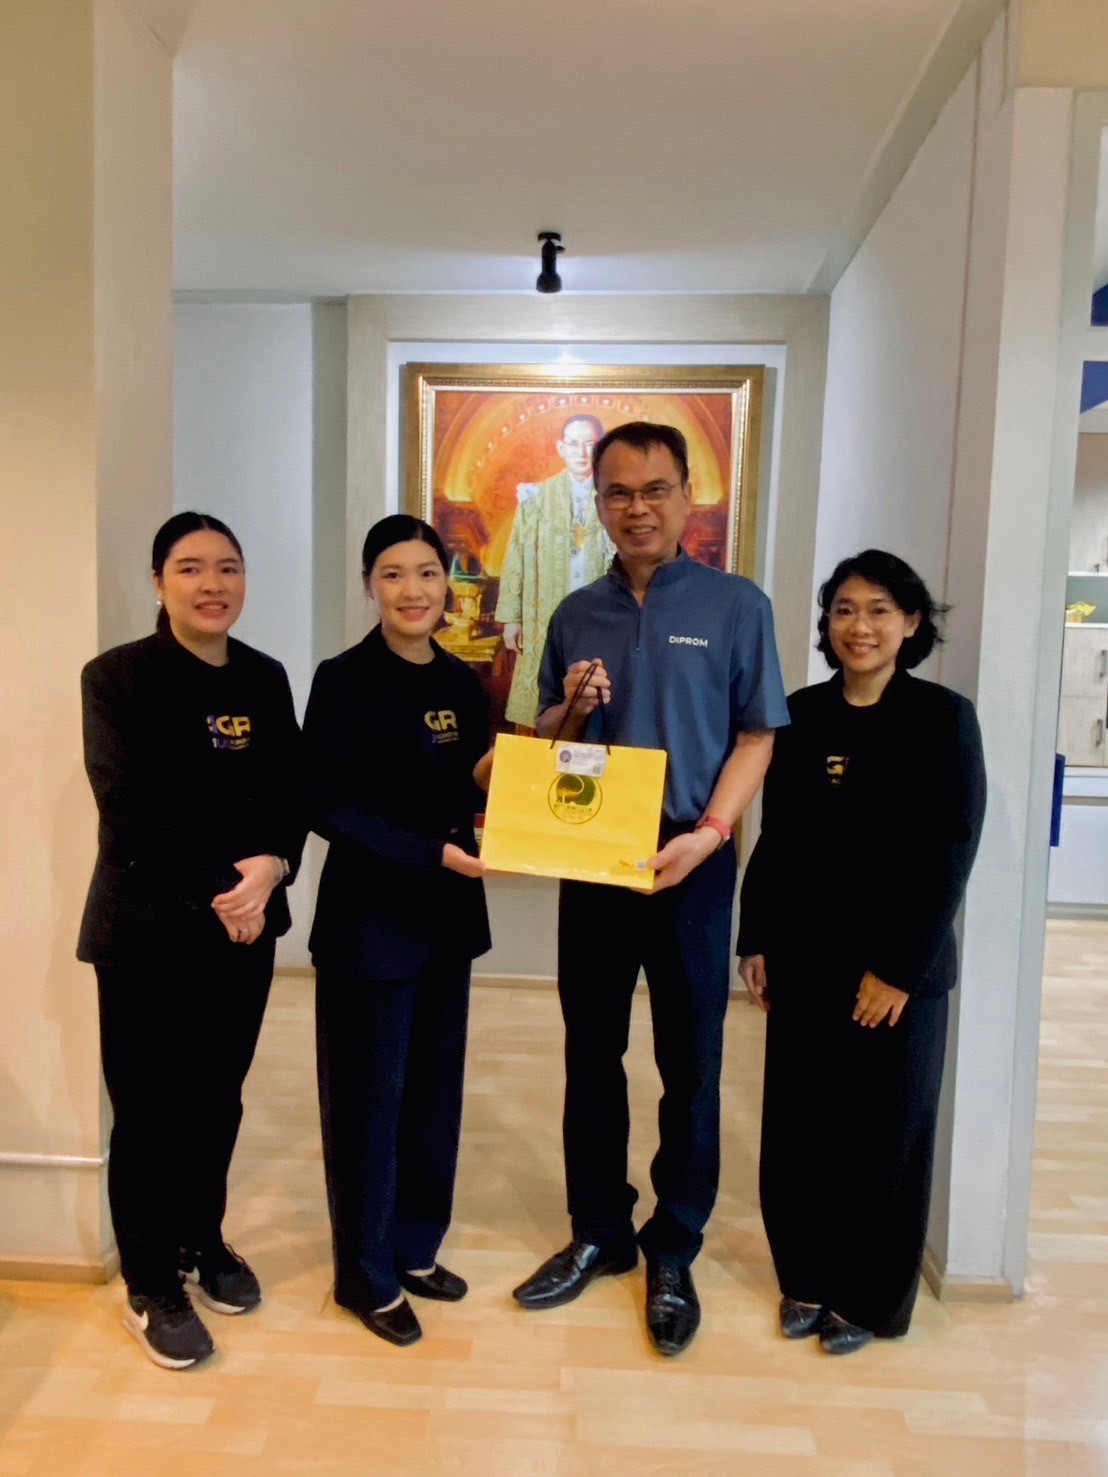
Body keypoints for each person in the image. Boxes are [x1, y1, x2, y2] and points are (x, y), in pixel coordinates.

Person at [512, 422, 790, 1357]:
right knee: (592, 1051)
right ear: (597, 502)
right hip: (597, 855)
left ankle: (674, 1244)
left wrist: (710, 834)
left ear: (687, 497)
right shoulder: (575, 612)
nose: (638, 508)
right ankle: (600, 1229)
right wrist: (571, 706)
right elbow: (548, 741)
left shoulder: (735, 604)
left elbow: (758, 734)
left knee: (691, 1062)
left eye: (655, 489)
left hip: (691, 859)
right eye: (619, 492)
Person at [737, 550, 986, 1355]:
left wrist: (899, 968)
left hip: (897, 973)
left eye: (880, 609)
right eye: (845, 609)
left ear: (911, 622)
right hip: (806, 958)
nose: (860, 626)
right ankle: (806, 1277)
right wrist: (756, 936)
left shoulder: (944, 718)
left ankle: (871, 1298)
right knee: (802, 1128)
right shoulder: (802, 714)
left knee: (886, 1135)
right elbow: (778, 837)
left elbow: (950, 852)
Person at [78, 511, 304, 1371]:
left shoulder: (265, 676)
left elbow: (290, 790)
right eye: (190, 567)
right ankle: (149, 1282)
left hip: (244, 928)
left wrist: (273, 865)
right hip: (146, 928)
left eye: (228, 567)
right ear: (158, 580)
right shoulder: (117, 678)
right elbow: (126, 803)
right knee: (148, 1109)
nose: (213, 585)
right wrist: (224, 886)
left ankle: (199, 1239)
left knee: (216, 1096)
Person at [304, 514, 492, 1348]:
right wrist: (428, 852)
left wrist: (509, 775)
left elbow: (469, 784)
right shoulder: (343, 679)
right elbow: (326, 803)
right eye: (392, 573)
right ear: (369, 586)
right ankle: (364, 1274)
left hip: (446, 920)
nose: (412, 590)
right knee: (368, 1102)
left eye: (426, 573)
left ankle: (414, 1247)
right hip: (370, 922)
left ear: (447, 584)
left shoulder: (461, 680)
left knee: (431, 1097)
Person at [495, 413, 614, 728]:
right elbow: (516, 554)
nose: (581, 452)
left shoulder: (613, 497)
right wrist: (512, 619)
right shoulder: (536, 497)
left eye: (590, 444)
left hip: (598, 614)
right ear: (561, 448)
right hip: (545, 612)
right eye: (574, 444)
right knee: (545, 695)